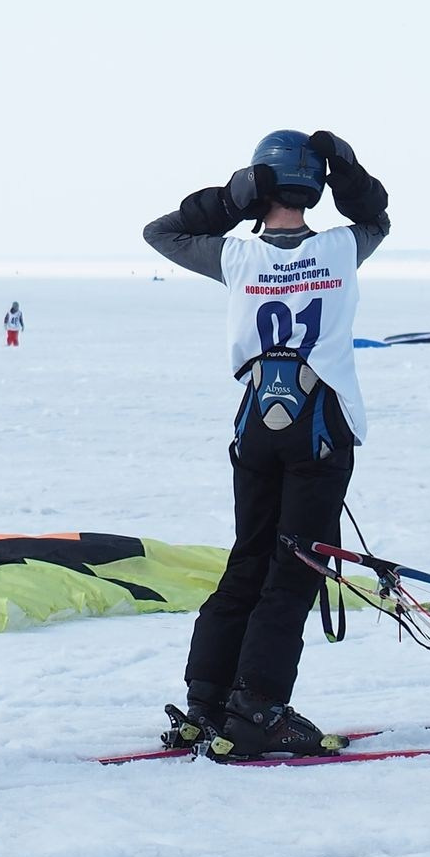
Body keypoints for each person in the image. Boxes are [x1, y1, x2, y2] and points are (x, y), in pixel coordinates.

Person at [143, 130, 391, 759]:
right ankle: (258, 707)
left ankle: (206, 702)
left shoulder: (235, 256)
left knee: (248, 559)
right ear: (314, 187)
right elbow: (376, 217)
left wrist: (231, 200)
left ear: (261, 185)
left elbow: (161, 232)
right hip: (320, 428)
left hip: (255, 426)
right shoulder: (342, 248)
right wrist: (349, 172)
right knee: (296, 569)